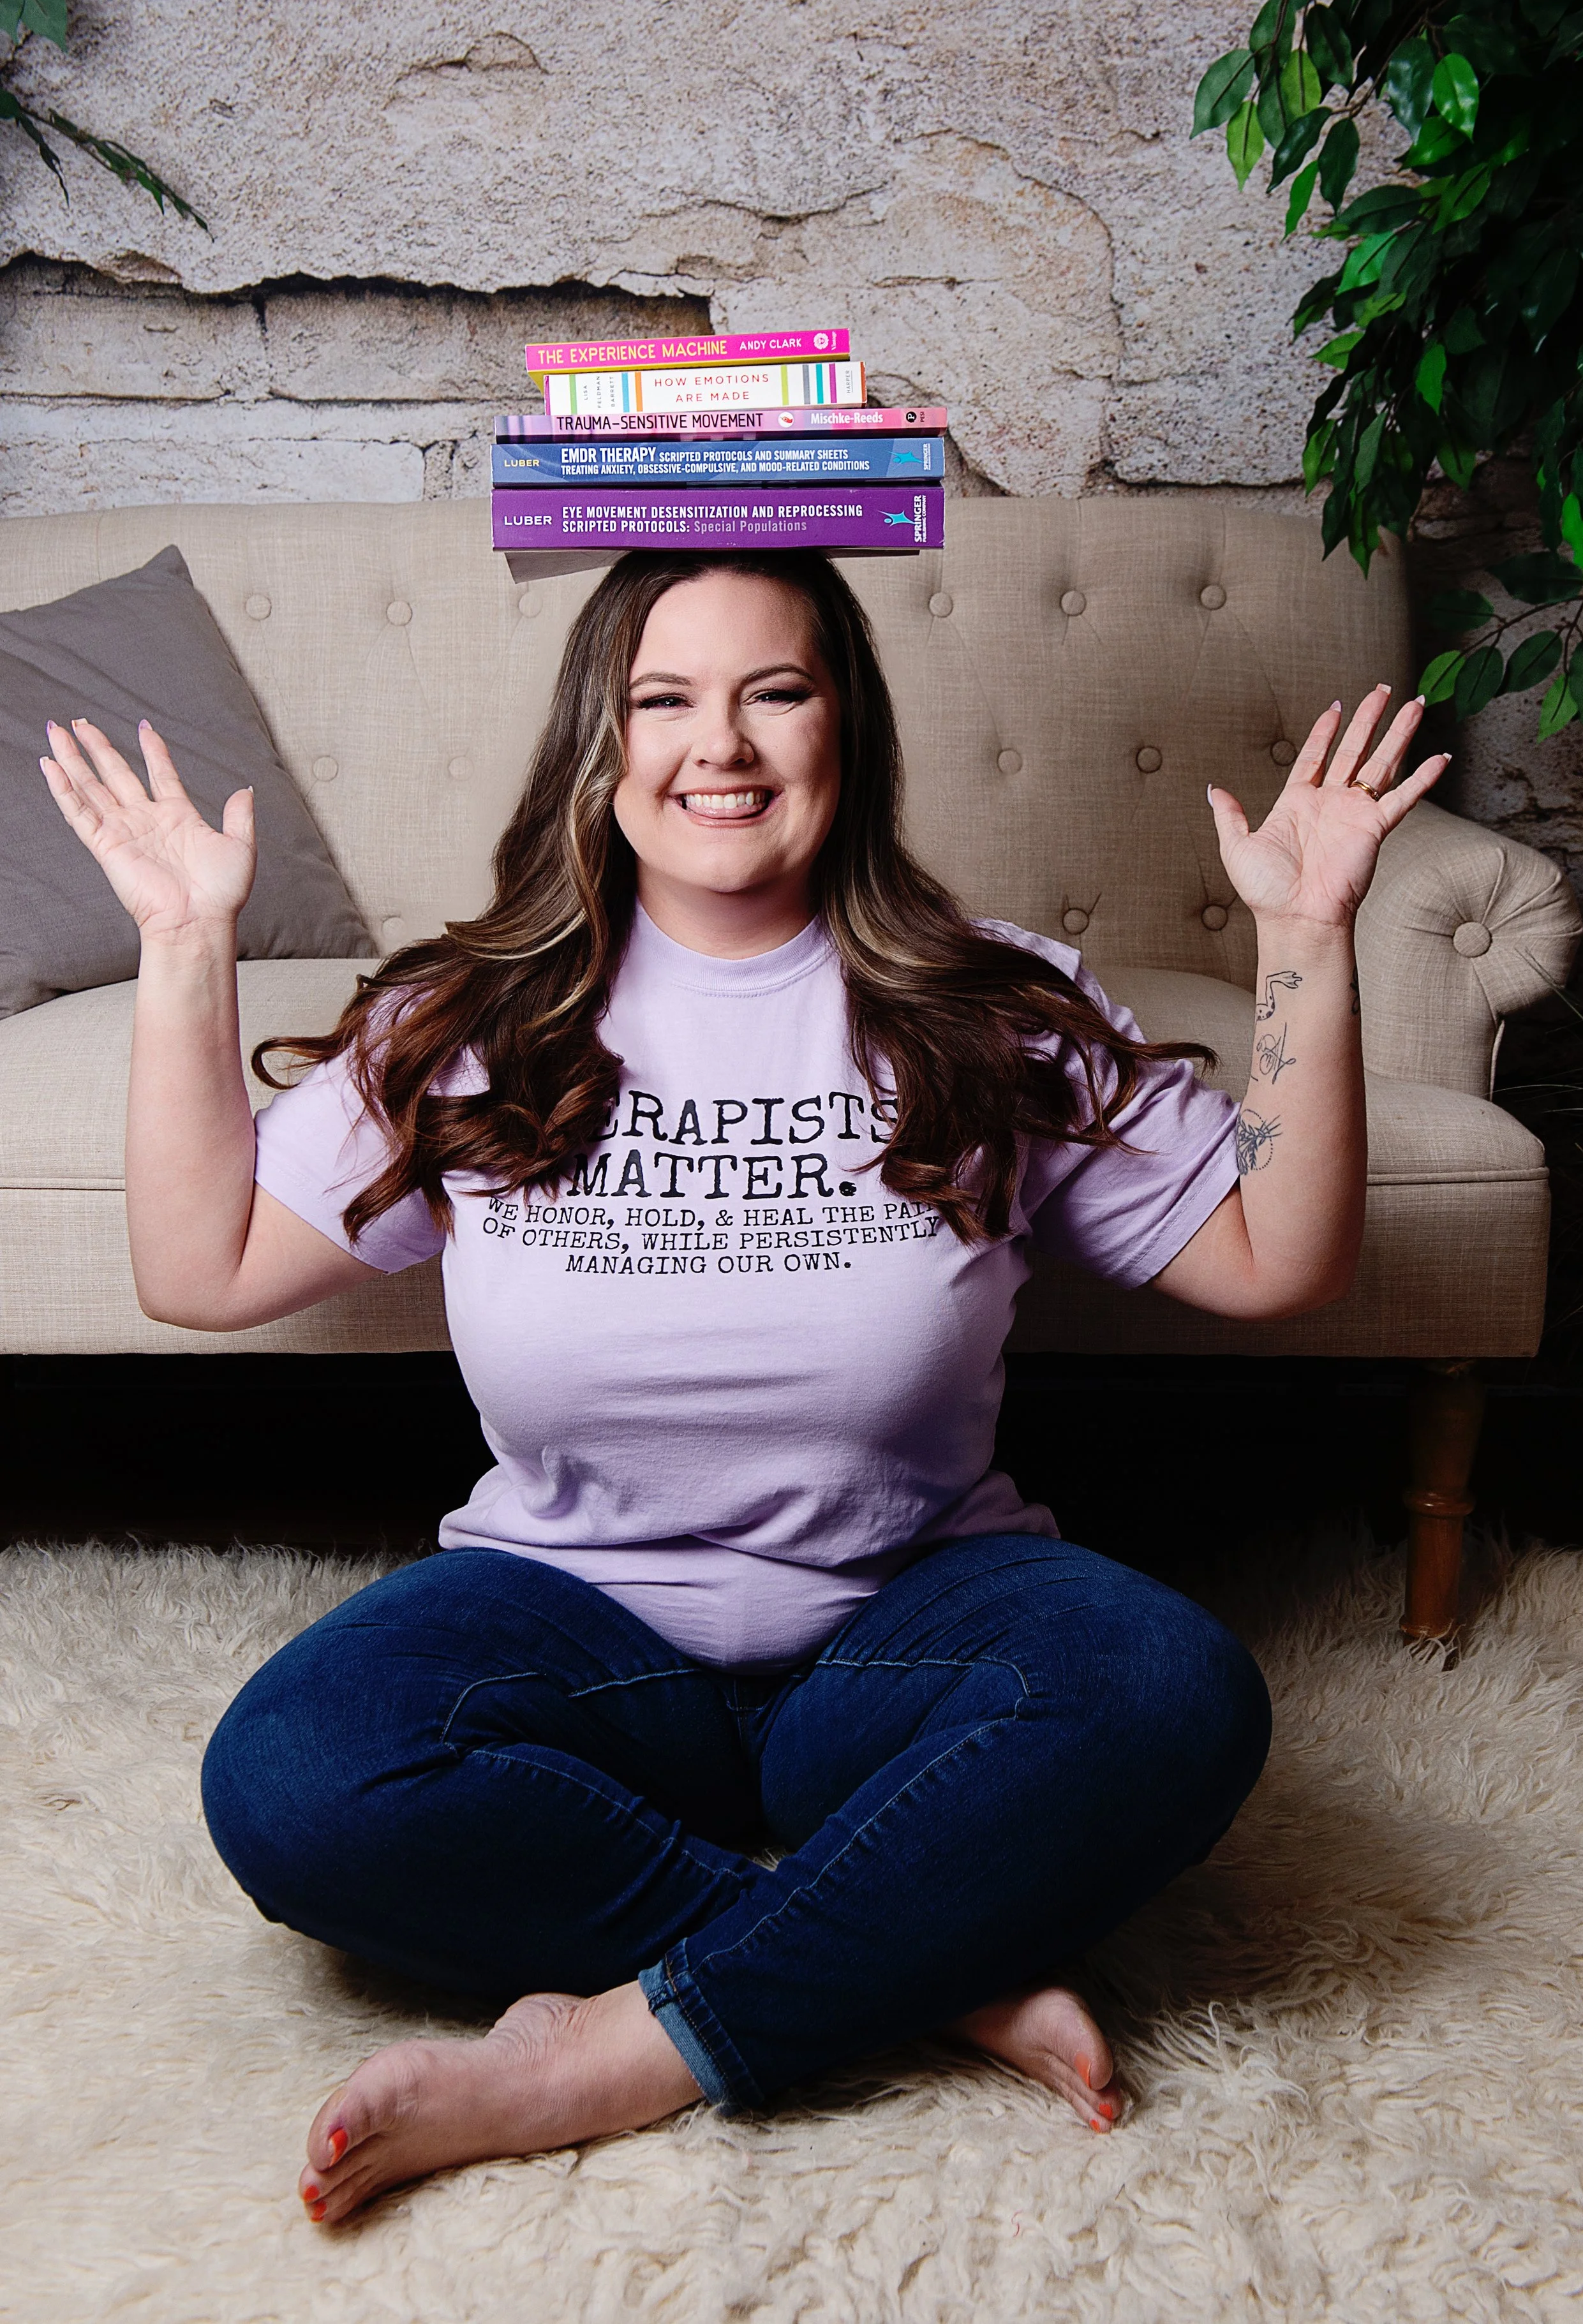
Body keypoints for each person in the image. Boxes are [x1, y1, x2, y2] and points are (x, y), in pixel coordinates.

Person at [40, 551, 1446, 2226]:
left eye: (775, 690)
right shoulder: (475, 1018)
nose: (723, 745)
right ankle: (922, 1965)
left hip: (901, 1626)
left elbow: (1274, 1259)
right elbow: (198, 1269)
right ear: (598, 744)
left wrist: (1305, 933)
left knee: (1167, 1690)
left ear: (846, 725)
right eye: (663, 699)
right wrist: (185, 940)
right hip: (569, 1628)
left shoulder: (984, 1004)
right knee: (293, 1774)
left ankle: (611, 2052)